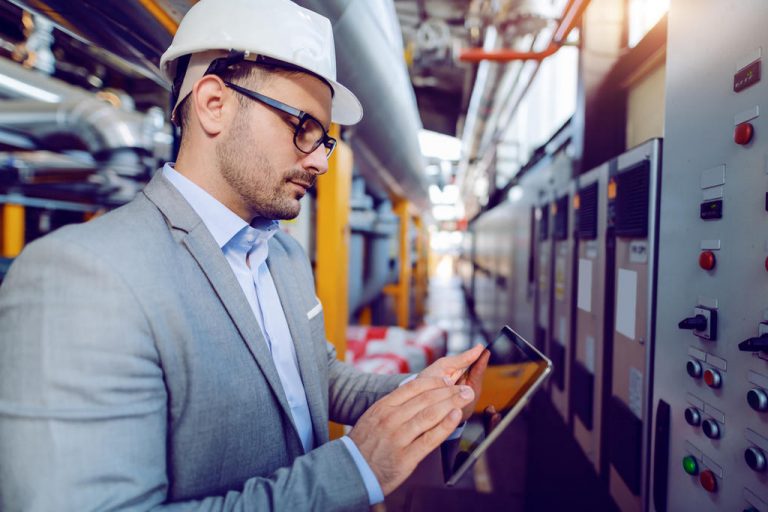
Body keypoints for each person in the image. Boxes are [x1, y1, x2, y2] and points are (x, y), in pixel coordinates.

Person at [0, 0, 489, 510]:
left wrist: (417, 394)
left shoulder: (283, 256)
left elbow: (310, 376)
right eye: (303, 126)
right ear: (215, 104)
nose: (320, 160)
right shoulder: (84, 279)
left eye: (325, 139)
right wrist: (357, 468)